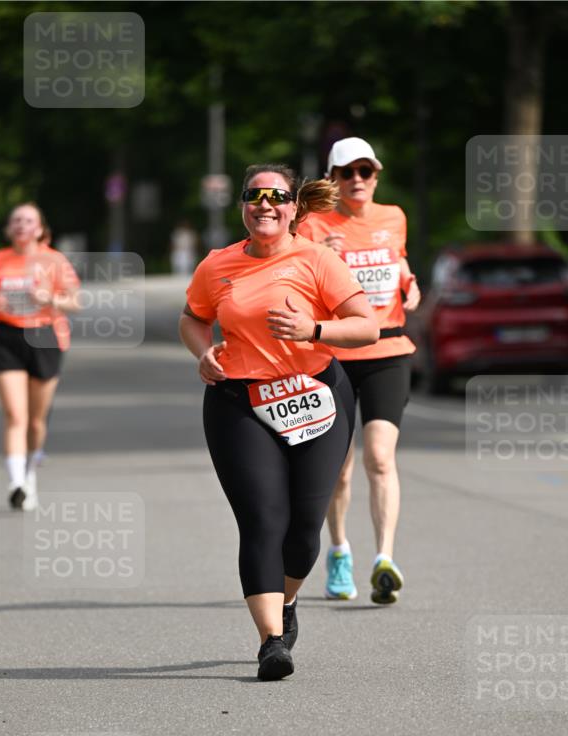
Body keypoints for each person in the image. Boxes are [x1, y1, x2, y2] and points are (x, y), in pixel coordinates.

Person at [179, 164, 377, 681]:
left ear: (294, 207)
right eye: (254, 195)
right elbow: (193, 317)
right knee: (263, 520)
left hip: (316, 397)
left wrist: (314, 327)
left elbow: (367, 327)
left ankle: (286, 602)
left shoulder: (318, 260)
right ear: (242, 204)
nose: (264, 204)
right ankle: (271, 642)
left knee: (305, 529)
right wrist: (202, 354)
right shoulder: (217, 265)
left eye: (276, 196)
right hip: (239, 403)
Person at [298, 138, 421, 605]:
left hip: (389, 349)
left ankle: (384, 559)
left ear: (376, 175)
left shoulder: (394, 217)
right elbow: (294, 285)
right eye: (346, 172)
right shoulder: (311, 226)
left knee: (380, 458)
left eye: (364, 172)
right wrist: (320, 255)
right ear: (332, 178)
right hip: (333, 357)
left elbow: (397, 259)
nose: (356, 181)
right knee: (341, 470)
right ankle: (340, 551)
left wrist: (410, 283)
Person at [0, 203, 80, 510]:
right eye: (15, 220)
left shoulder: (54, 260)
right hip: (7, 336)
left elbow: (75, 301)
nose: (21, 225)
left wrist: (50, 298)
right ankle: (16, 482)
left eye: (28, 220)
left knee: (35, 420)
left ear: (40, 228)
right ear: (9, 229)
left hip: (45, 335)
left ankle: (30, 474)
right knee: (14, 415)